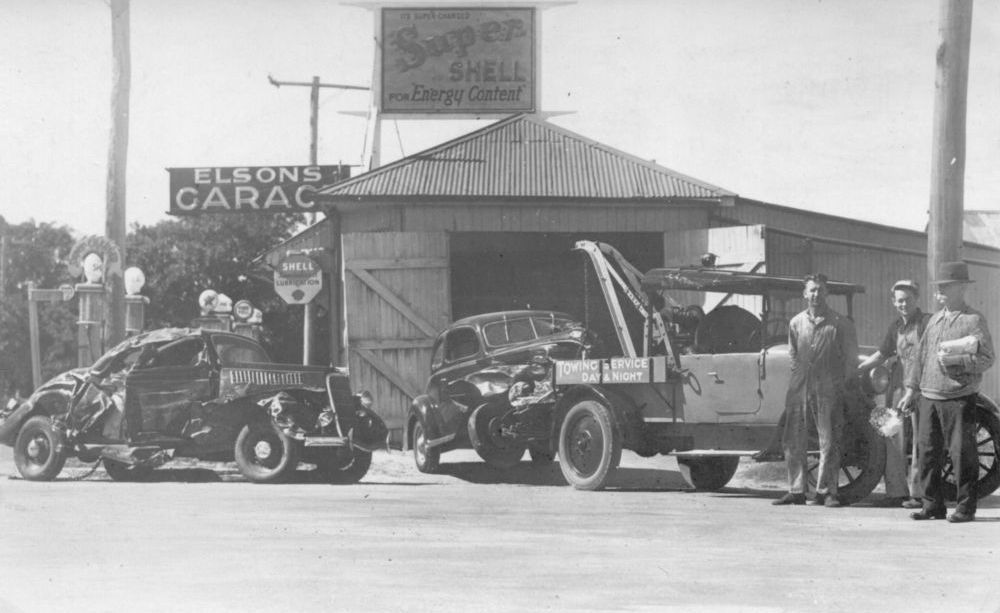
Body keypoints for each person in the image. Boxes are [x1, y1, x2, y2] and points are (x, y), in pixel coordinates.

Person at [897, 261, 994, 523]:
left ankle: (965, 508)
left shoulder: (974, 320)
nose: (940, 290)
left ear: (961, 288)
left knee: (962, 455)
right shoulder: (935, 320)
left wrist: (960, 362)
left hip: (959, 398)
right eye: (939, 286)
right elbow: (920, 357)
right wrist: (911, 390)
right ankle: (932, 505)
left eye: (946, 286)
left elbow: (987, 358)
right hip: (928, 396)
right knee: (928, 452)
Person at [773, 273, 858, 507]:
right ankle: (797, 490)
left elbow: (851, 360)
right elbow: (792, 355)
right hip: (799, 387)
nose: (816, 294)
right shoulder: (796, 322)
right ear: (804, 294)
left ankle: (827, 492)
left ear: (827, 293)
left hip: (828, 387)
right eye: (812, 290)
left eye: (820, 289)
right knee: (793, 440)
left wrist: (839, 385)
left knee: (828, 441)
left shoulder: (840, 323)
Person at [857, 280, 930, 508]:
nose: (903, 304)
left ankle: (918, 495)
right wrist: (858, 369)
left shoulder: (926, 322)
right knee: (891, 436)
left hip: (921, 389)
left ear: (916, 299)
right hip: (897, 389)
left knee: (920, 440)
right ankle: (896, 492)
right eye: (899, 300)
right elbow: (881, 354)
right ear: (893, 302)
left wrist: (915, 387)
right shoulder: (895, 326)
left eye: (907, 299)